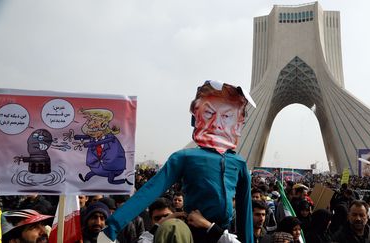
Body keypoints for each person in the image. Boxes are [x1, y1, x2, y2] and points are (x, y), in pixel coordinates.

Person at [99, 80, 255, 243]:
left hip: (220, 233)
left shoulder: (238, 162)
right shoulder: (185, 157)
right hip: (189, 232)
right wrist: (112, 227)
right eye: (209, 113)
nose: (218, 122)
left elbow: (245, 210)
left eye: (227, 115)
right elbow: (150, 191)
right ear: (198, 114)